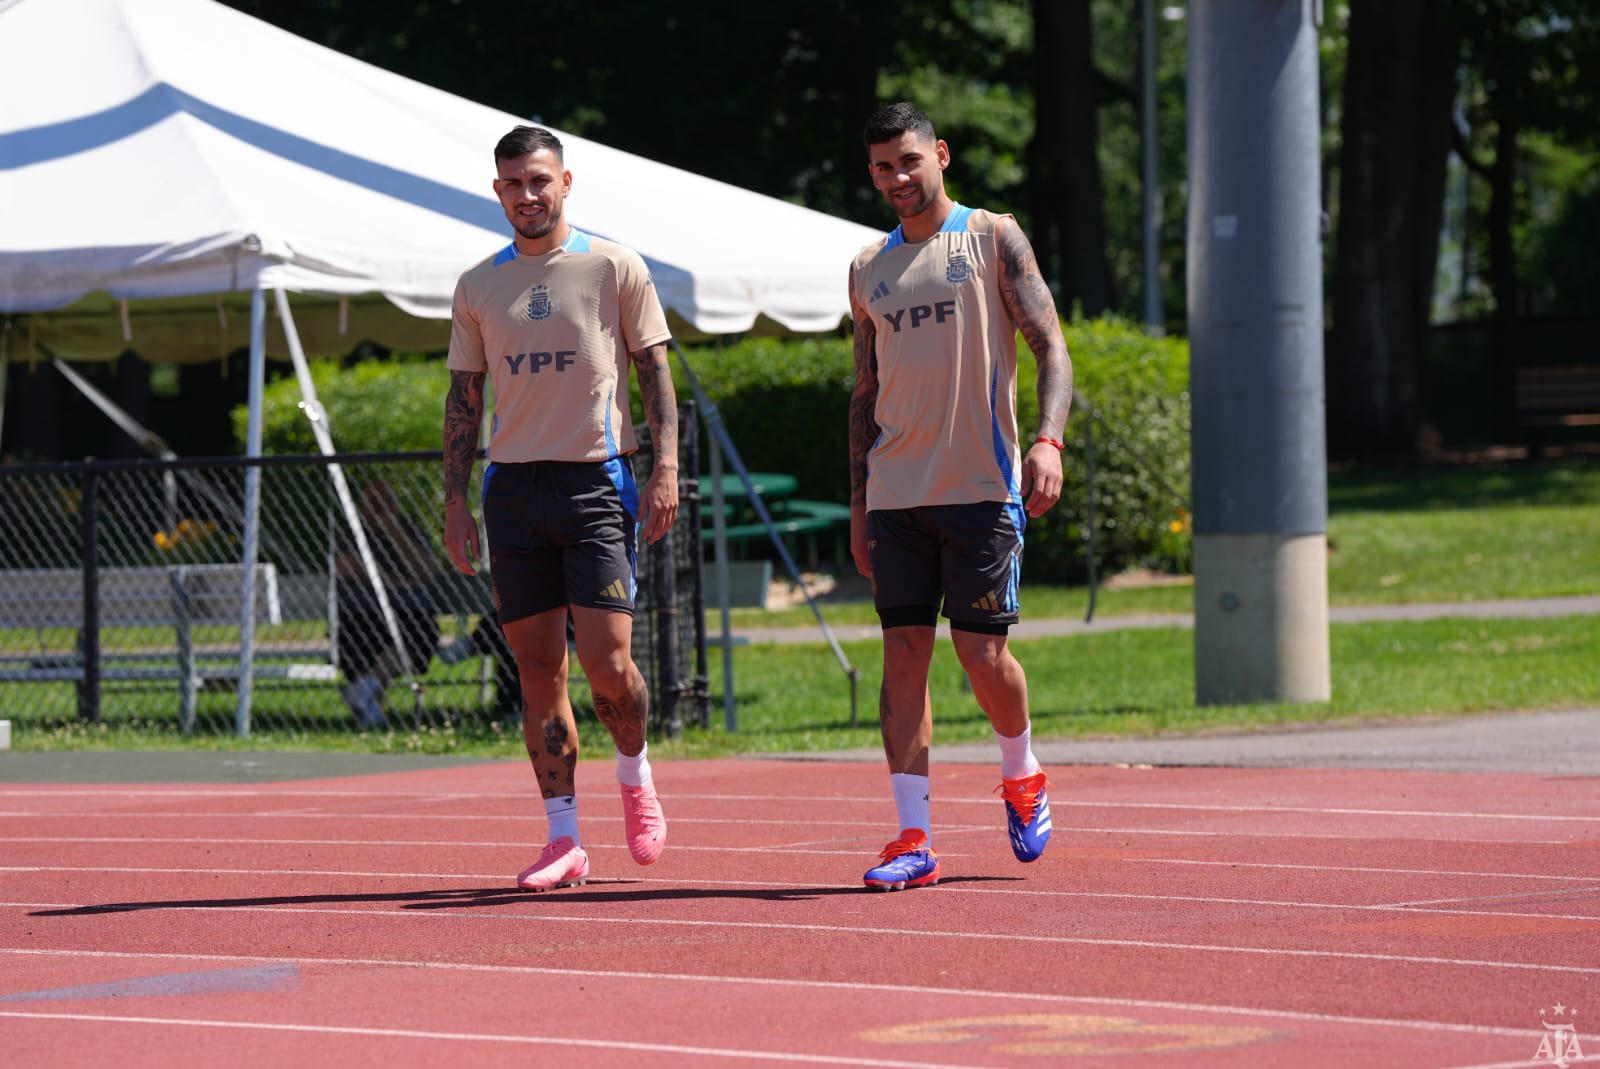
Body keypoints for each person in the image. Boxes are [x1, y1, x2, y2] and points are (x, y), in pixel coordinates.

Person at [442, 125, 678, 893]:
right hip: (512, 490)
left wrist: (665, 467)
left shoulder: (614, 266)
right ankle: (564, 836)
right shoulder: (478, 284)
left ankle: (635, 774)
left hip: (595, 482)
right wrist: (455, 501)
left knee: (608, 665)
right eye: (513, 183)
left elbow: (655, 372)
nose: (527, 194)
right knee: (538, 668)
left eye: (539, 180)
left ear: (565, 182)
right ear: (497, 190)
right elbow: (463, 398)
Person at [847, 103, 1073, 891]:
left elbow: (1051, 346)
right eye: (883, 167)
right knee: (903, 652)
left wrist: (1048, 441)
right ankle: (913, 835)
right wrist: (859, 504)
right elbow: (864, 391)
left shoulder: (991, 235)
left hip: (981, 487)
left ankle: (1023, 771)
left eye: (909, 160)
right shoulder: (867, 267)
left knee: (981, 654)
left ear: (939, 154)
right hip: (895, 494)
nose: (898, 178)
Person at [335, 477, 441, 731]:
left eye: (387, 502)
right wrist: (395, 582)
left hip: (409, 611)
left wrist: (394, 531)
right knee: (361, 641)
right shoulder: (351, 531)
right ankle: (371, 708)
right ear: (362, 505)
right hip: (361, 610)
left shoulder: (410, 531)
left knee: (419, 633)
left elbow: (426, 570)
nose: (380, 508)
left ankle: (366, 692)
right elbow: (347, 566)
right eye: (374, 502)